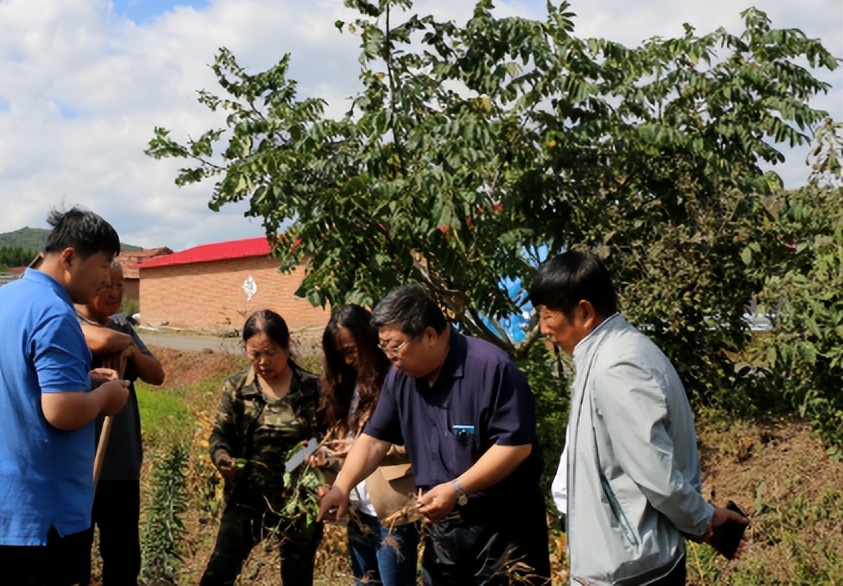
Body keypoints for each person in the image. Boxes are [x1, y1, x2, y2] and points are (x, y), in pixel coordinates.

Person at [529, 250, 748, 586]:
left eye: (547, 315)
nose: (542, 328)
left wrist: (702, 519)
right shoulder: (607, 354)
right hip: (627, 562)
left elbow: (654, 470)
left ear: (584, 311)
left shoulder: (618, 367)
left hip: (631, 570)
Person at [0, 208, 130, 586]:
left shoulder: (2, 299)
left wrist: (82, 379)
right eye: (104, 264)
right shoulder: (56, 314)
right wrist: (106, 397)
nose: (108, 278)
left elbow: (17, 379)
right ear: (70, 257)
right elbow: (61, 410)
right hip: (36, 515)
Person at [317, 285, 551, 586]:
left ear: (429, 334)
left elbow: (515, 446)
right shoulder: (400, 379)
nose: (390, 357)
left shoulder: (490, 368)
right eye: (384, 348)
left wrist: (457, 488)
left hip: (503, 528)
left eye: (396, 346)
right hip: (445, 531)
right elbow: (374, 439)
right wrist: (341, 486)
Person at [200, 309, 324, 586]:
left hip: (298, 501)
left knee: (297, 577)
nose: (263, 362)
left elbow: (328, 437)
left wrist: (318, 456)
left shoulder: (312, 388)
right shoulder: (237, 388)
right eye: (255, 354)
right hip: (247, 496)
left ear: (286, 346)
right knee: (218, 573)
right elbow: (221, 434)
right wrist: (222, 458)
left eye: (271, 352)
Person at [75, 260, 165, 586]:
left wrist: (132, 350)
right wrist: (119, 341)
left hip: (121, 460)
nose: (114, 293)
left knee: (124, 556)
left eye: (120, 287)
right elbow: (96, 341)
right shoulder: (69, 322)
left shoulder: (123, 327)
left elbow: (156, 374)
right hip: (79, 463)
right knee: (74, 554)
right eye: (106, 286)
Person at [317, 304, 420, 586]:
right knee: (363, 582)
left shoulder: (397, 379)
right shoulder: (349, 386)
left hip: (390, 510)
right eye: (341, 355)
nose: (349, 360)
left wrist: (360, 449)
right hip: (358, 507)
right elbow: (347, 439)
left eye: (352, 350)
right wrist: (328, 457)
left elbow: (417, 443)